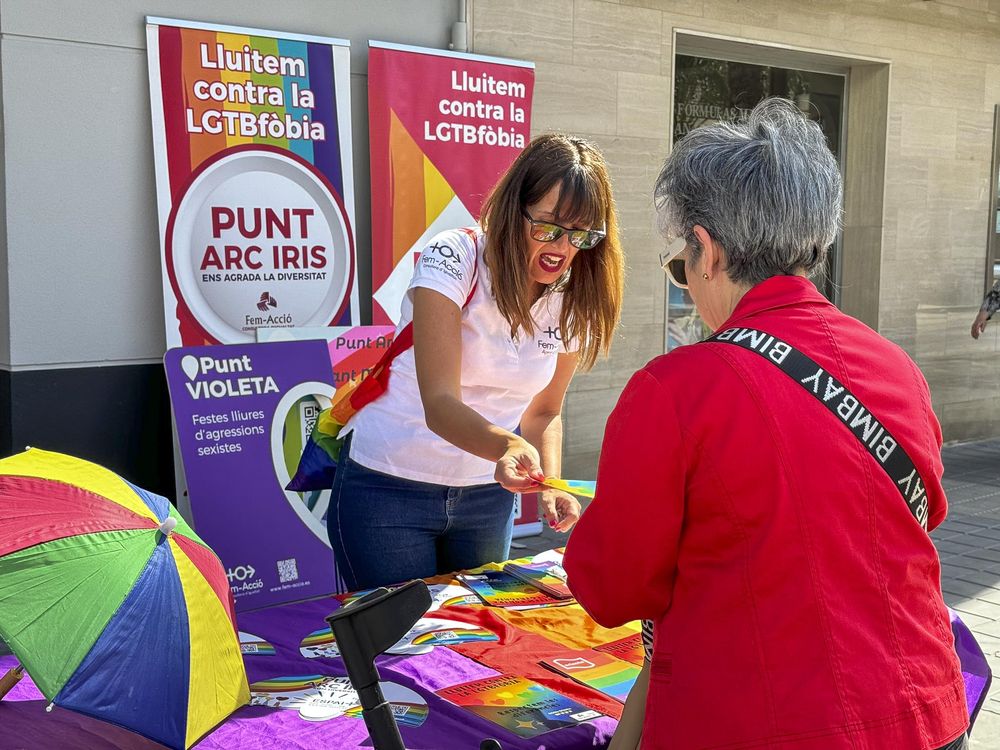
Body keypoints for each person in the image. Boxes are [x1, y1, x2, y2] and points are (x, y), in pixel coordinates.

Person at [564, 99, 969, 750]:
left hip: (764, 724)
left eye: (679, 267)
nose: (687, 288)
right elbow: (912, 523)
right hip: (929, 714)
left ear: (706, 250)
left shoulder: (675, 388)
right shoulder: (896, 367)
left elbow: (613, 589)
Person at [329, 134, 624, 591]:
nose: (562, 248)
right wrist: (508, 448)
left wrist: (550, 482)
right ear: (513, 210)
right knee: (391, 650)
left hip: (486, 500)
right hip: (388, 486)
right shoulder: (455, 256)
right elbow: (440, 401)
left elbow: (544, 410)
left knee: (472, 655)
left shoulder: (573, 292)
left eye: (582, 234)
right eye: (548, 226)